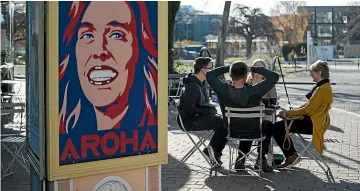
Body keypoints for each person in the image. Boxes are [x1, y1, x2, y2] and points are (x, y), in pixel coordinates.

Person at [206, 61, 279, 172]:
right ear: (246, 76)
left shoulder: (223, 90)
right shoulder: (255, 90)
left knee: (244, 123)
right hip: (253, 130)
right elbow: (274, 76)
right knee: (266, 124)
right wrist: (252, 68)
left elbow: (209, 74)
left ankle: (241, 159)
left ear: (230, 75)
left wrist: (228, 68)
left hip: (231, 130)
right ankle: (261, 159)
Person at [263, 60, 333, 168]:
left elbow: (307, 110)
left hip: (313, 124)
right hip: (317, 121)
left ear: (319, 73)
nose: (311, 74)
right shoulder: (324, 87)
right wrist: (291, 112)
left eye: (312, 72)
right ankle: (291, 155)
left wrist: (287, 113)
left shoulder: (321, 89)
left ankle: (290, 155)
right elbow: (308, 107)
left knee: (275, 128)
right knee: (278, 127)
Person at [177, 57, 228, 166]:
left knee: (225, 121)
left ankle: (214, 152)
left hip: (197, 117)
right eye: (211, 68)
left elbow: (202, 104)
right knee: (222, 123)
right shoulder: (192, 86)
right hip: (189, 120)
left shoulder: (202, 83)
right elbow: (189, 108)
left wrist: (210, 109)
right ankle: (212, 151)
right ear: (203, 70)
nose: (212, 70)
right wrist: (208, 111)